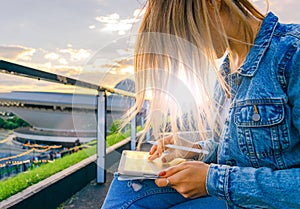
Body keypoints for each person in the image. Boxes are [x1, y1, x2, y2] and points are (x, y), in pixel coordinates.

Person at [102, 0, 300, 208]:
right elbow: (237, 153)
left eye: (185, 33)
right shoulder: (226, 71)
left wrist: (212, 180)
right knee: (126, 183)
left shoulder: (292, 54)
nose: (190, 49)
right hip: (235, 193)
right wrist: (194, 150)